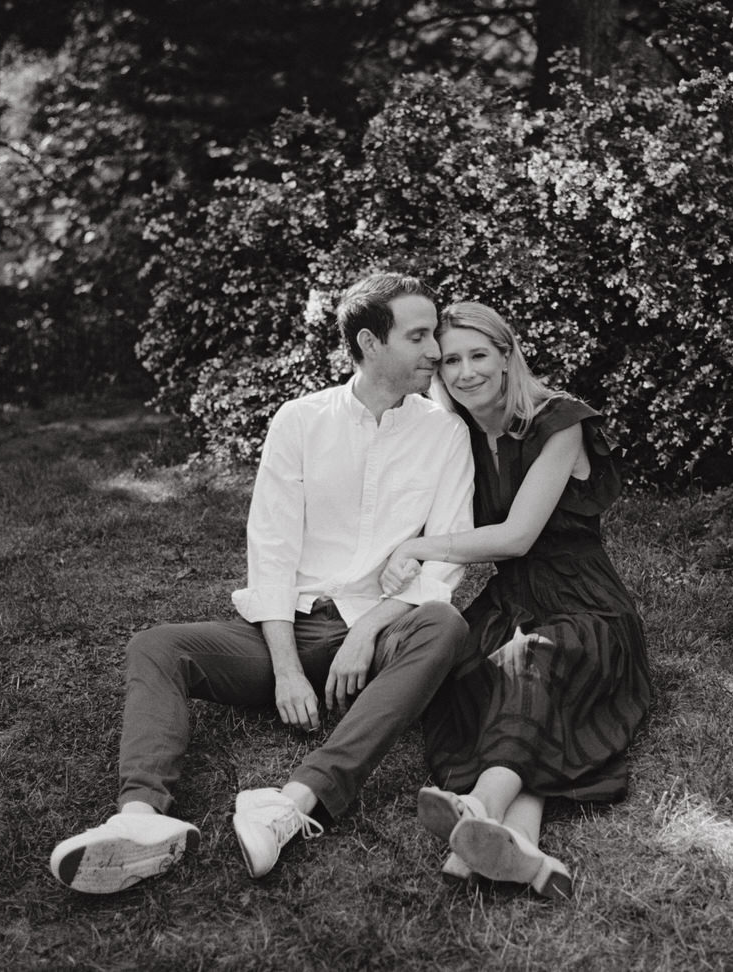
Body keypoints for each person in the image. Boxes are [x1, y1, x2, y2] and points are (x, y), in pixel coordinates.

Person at [50, 272, 475, 893]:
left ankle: (297, 802)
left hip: (383, 634)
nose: (436, 350)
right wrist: (285, 669)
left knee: (445, 622)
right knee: (156, 647)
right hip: (296, 626)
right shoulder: (300, 421)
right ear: (369, 342)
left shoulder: (445, 432)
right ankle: (140, 819)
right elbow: (271, 550)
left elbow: (446, 561)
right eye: (419, 336)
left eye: (433, 333)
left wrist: (370, 630)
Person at [380, 301, 653, 899]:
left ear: (508, 357)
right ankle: (521, 846)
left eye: (479, 355)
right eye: (451, 359)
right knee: (481, 674)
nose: (465, 371)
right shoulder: (463, 435)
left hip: (584, 600)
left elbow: (518, 535)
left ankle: (478, 806)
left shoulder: (560, 422)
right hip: (512, 595)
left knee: (534, 662)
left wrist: (419, 546)